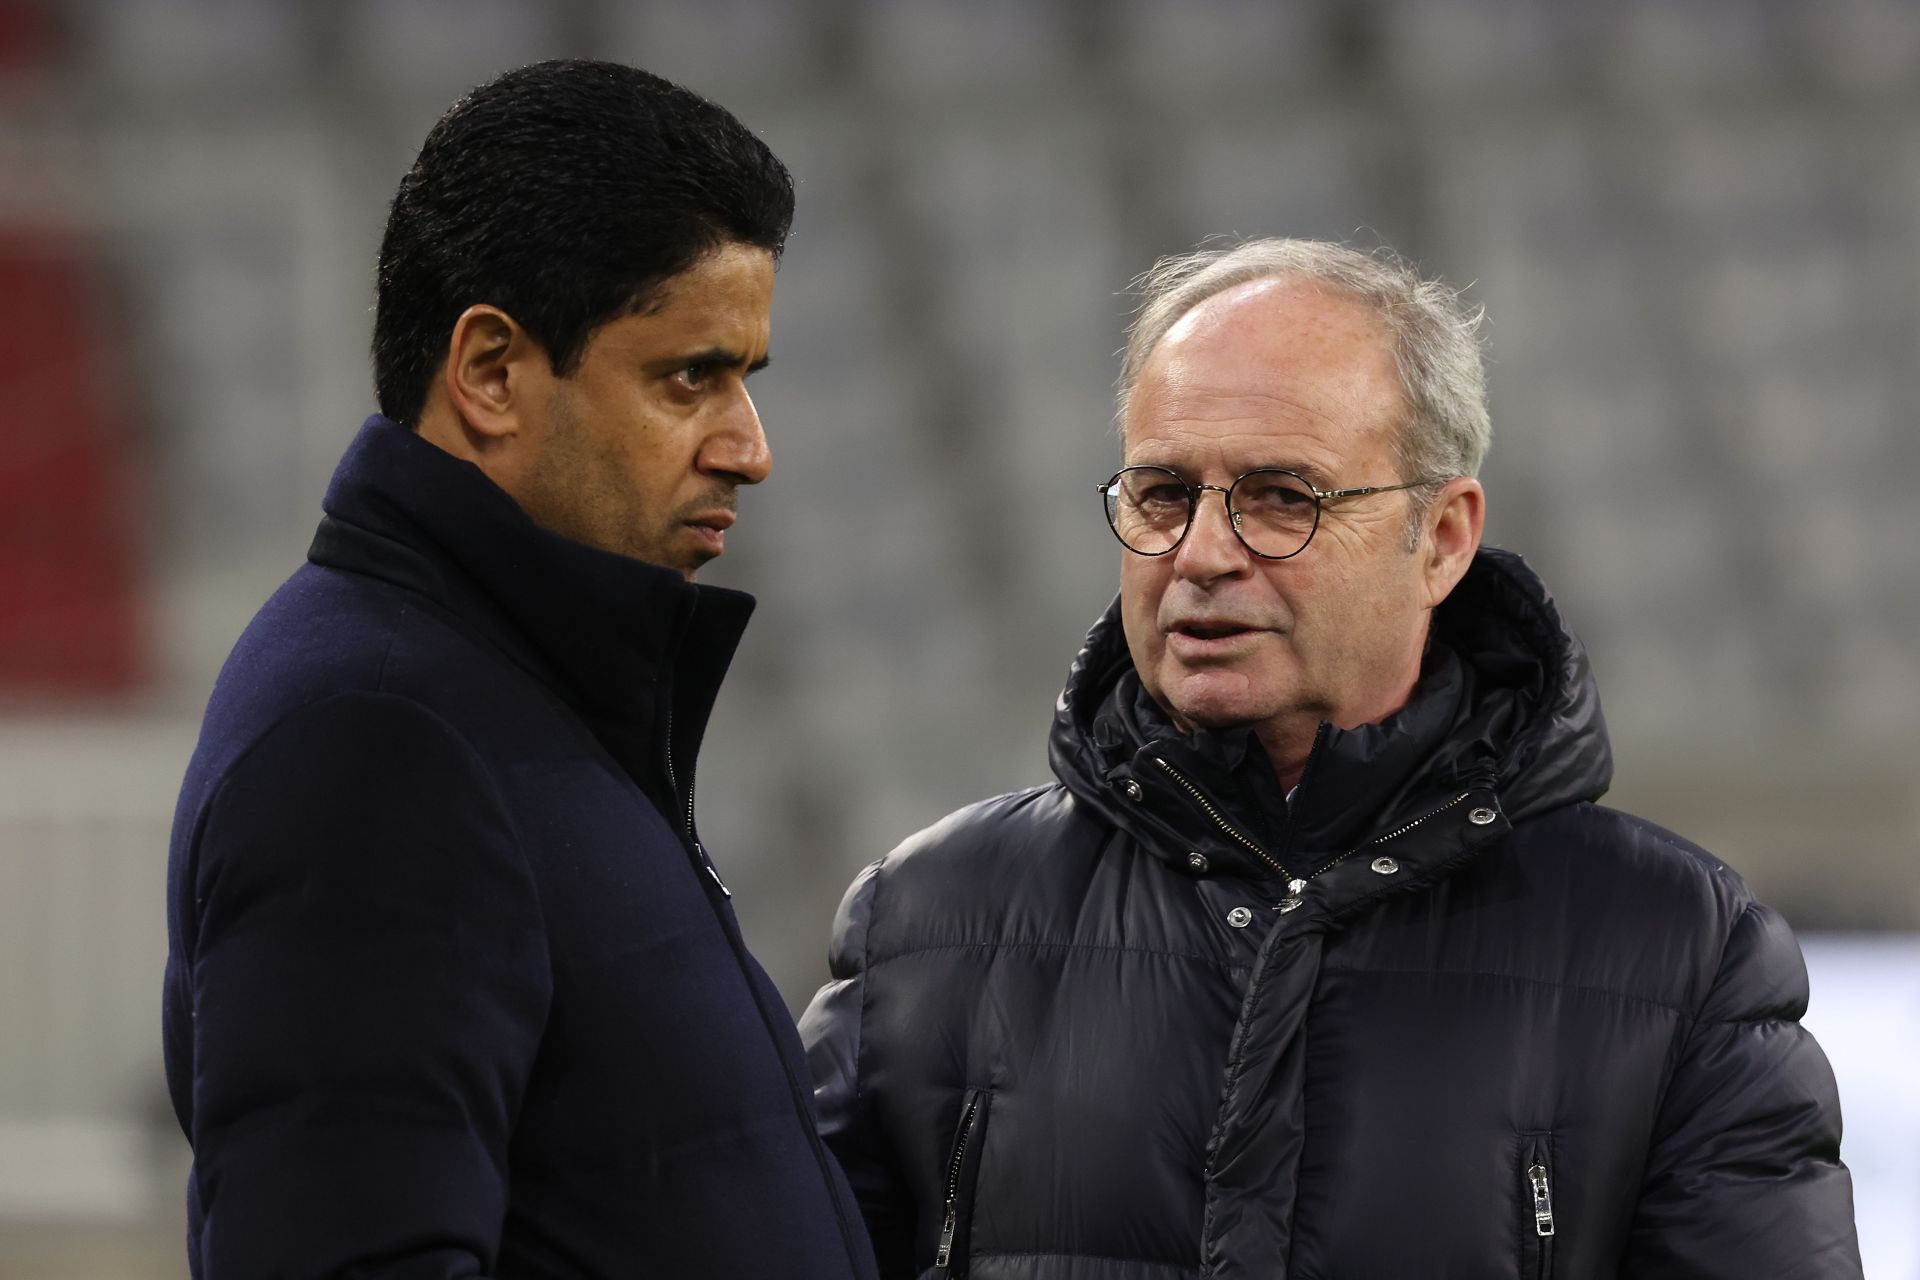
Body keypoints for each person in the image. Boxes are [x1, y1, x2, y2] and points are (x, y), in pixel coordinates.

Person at [799, 237, 1862, 1278]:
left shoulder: (1680, 948)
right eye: (1163, 494)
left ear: (1442, 537)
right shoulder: (926, 919)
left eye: (1281, 498)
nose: (1204, 553)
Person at [163, 60, 877, 1279]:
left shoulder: (507, 689)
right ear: (490, 371)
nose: (750, 450)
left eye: (746, 379)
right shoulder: (376, 737)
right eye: (689, 375)